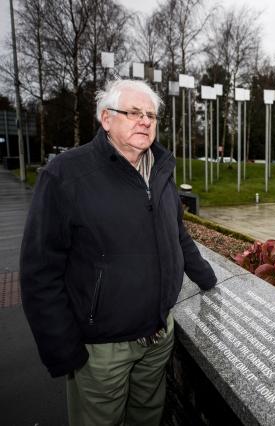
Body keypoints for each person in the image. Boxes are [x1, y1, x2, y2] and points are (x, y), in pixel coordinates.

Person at [20, 79, 217, 425]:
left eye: (151, 115)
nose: (145, 121)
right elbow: (40, 271)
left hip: (158, 337)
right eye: (134, 113)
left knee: (147, 418)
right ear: (106, 118)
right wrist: (63, 349)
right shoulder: (66, 175)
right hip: (102, 349)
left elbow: (177, 233)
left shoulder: (160, 169)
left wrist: (209, 279)